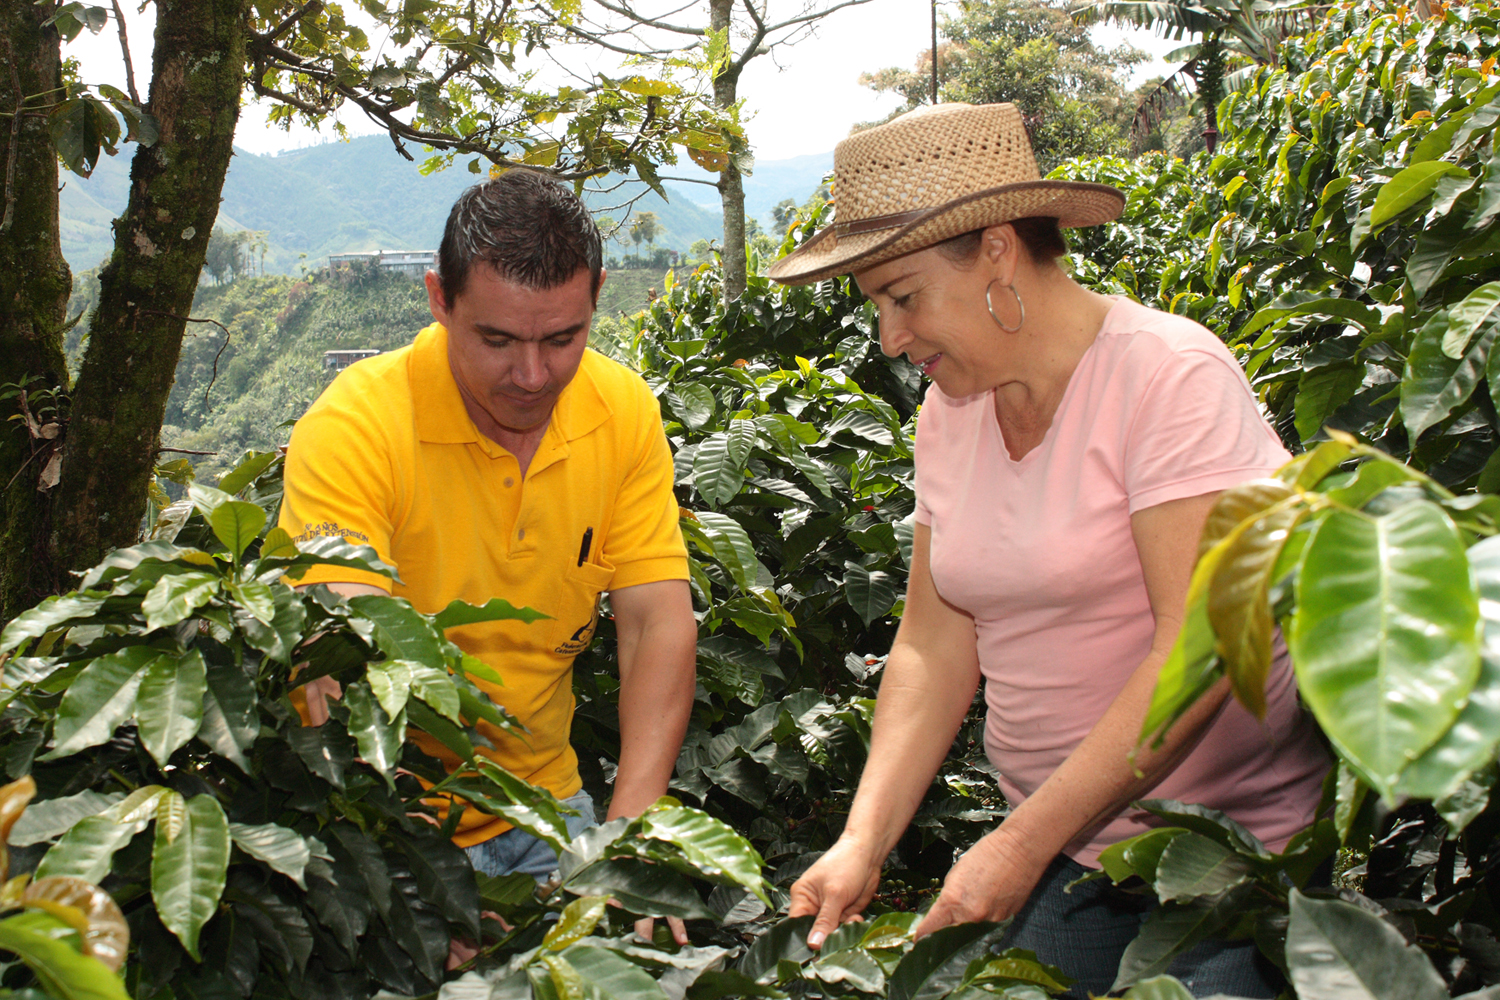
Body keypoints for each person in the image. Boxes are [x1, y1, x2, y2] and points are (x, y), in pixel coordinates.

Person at [768, 103, 1330, 999]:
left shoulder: (1169, 379)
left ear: (996, 247)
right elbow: (931, 643)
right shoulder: (949, 416)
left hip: (1232, 854)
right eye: (876, 304)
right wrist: (861, 841)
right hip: (1072, 851)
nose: (892, 338)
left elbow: (1203, 645)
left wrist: (1018, 848)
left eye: (903, 297)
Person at [277, 171, 699, 930]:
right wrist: (414, 885)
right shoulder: (357, 426)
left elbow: (655, 622)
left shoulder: (623, 410)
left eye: (562, 338)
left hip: (546, 809)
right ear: (440, 299)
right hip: (394, 828)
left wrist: (631, 836)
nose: (533, 376)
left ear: (599, 294)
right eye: (498, 340)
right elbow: (338, 652)